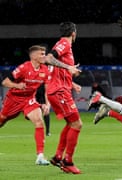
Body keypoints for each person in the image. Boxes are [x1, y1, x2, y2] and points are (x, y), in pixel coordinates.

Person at [0, 45, 50, 166]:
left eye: (44, 53)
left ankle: (40, 156)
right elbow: (5, 82)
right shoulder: (23, 68)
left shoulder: (45, 70)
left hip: (29, 99)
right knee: (2, 120)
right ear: (33, 56)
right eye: (41, 54)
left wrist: (47, 104)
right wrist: (17, 86)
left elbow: (47, 88)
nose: (44, 56)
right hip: (14, 99)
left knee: (39, 121)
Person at [45, 22, 82, 174]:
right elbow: (48, 58)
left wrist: (72, 82)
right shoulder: (64, 44)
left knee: (70, 124)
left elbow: (55, 70)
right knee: (77, 124)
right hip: (59, 91)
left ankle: (58, 157)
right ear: (73, 33)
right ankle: (68, 161)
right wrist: (69, 68)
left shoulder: (64, 46)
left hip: (60, 89)